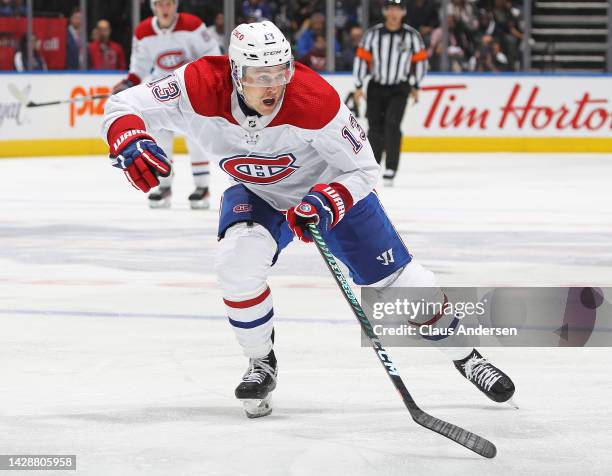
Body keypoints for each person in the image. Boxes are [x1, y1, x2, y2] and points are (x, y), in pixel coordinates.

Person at [102, 21, 515, 418]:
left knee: (400, 283)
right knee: (235, 266)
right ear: (234, 72)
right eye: (260, 75)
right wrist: (126, 135)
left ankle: (467, 356)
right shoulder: (197, 85)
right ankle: (261, 361)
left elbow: (364, 170)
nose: (274, 85)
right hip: (257, 191)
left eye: (281, 72)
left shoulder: (315, 100)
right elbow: (122, 104)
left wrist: (327, 200)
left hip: (327, 189)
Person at [112, 0, 220, 209]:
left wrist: (205, 81)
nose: (165, 8)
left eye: (169, 3)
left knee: (195, 139)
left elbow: (212, 56)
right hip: (160, 93)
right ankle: (164, 185)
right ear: (154, 6)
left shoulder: (193, 25)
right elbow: (139, 66)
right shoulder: (143, 31)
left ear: (175, 5)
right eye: (160, 4)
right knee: (161, 138)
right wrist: (128, 83)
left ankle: (202, 187)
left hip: (191, 92)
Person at [353, 0, 427, 186]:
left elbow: (421, 61)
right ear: (385, 12)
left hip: (399, 87)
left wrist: (416, 85)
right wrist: (359, 85)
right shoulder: (373, 34)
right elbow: (361, 59)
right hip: (376, 86)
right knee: (374, 126)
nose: (394, 13)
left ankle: (391, 167)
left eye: (398, 9)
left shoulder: (412, 36)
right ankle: (374, 165)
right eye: (391, 9)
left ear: (403, 12)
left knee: (393, 124)